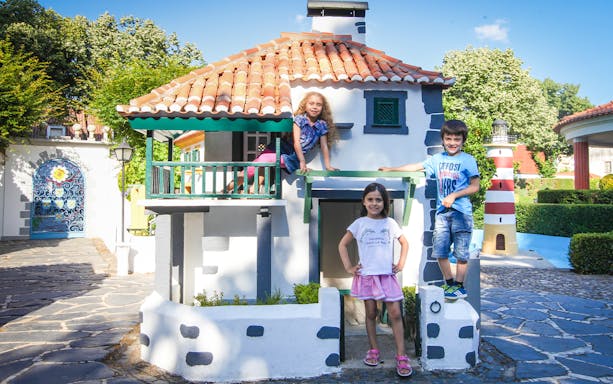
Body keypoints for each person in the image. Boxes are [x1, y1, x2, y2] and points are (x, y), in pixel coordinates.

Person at [379, 119, 480, 300]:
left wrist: (454, 195)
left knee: (461, 252)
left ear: (463, 141)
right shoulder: (437, 160)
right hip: (443, 214)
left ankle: (460, 286)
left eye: (457, 139)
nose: (452, 143)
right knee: (440, 250)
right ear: (443, 139)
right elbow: (416, 166)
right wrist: (392, 169)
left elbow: (475, 186)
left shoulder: (468, 160)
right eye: (448, 138)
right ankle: (449, 284)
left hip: (461, 213)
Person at [338, 182, 412, 377]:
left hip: (387, 275)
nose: (374, 203)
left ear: (384, 202)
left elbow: (405, 243)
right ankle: (373, 350)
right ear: (364, 201)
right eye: (370, 199)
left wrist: (401, 263)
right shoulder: (359, 223)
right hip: (367, 276)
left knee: (395, 313)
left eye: (378, 200)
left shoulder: (390, 223)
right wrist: (349, 267)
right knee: (371, 313)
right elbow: (342, 245)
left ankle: (401, 355)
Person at [224, 91, 338, 193]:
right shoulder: (299, 119)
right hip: (283, 147)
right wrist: (303, 162)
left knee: (263, 160)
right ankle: (237, 188)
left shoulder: (321, 125)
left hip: (292, 156)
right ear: (305, 105)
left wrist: (328, 166)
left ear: (323, 108)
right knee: (258, 163)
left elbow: (324, 146)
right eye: (311, 103)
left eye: (318, 105)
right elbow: (296, 142)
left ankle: (240, 189)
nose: (315, 107)